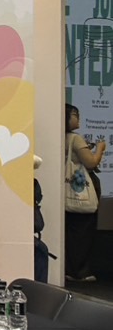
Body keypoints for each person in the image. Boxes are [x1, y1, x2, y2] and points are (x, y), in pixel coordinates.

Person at [65, 103, 105, 284]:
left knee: (71, 234)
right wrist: (100, 148)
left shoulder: (61, 137)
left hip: (67, 192)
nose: (78, 117)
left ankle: (69, 269)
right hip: (80, 192)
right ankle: (79, 271)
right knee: (83, 234)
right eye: (75, 114)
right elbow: (90, 162)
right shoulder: (76, 139)